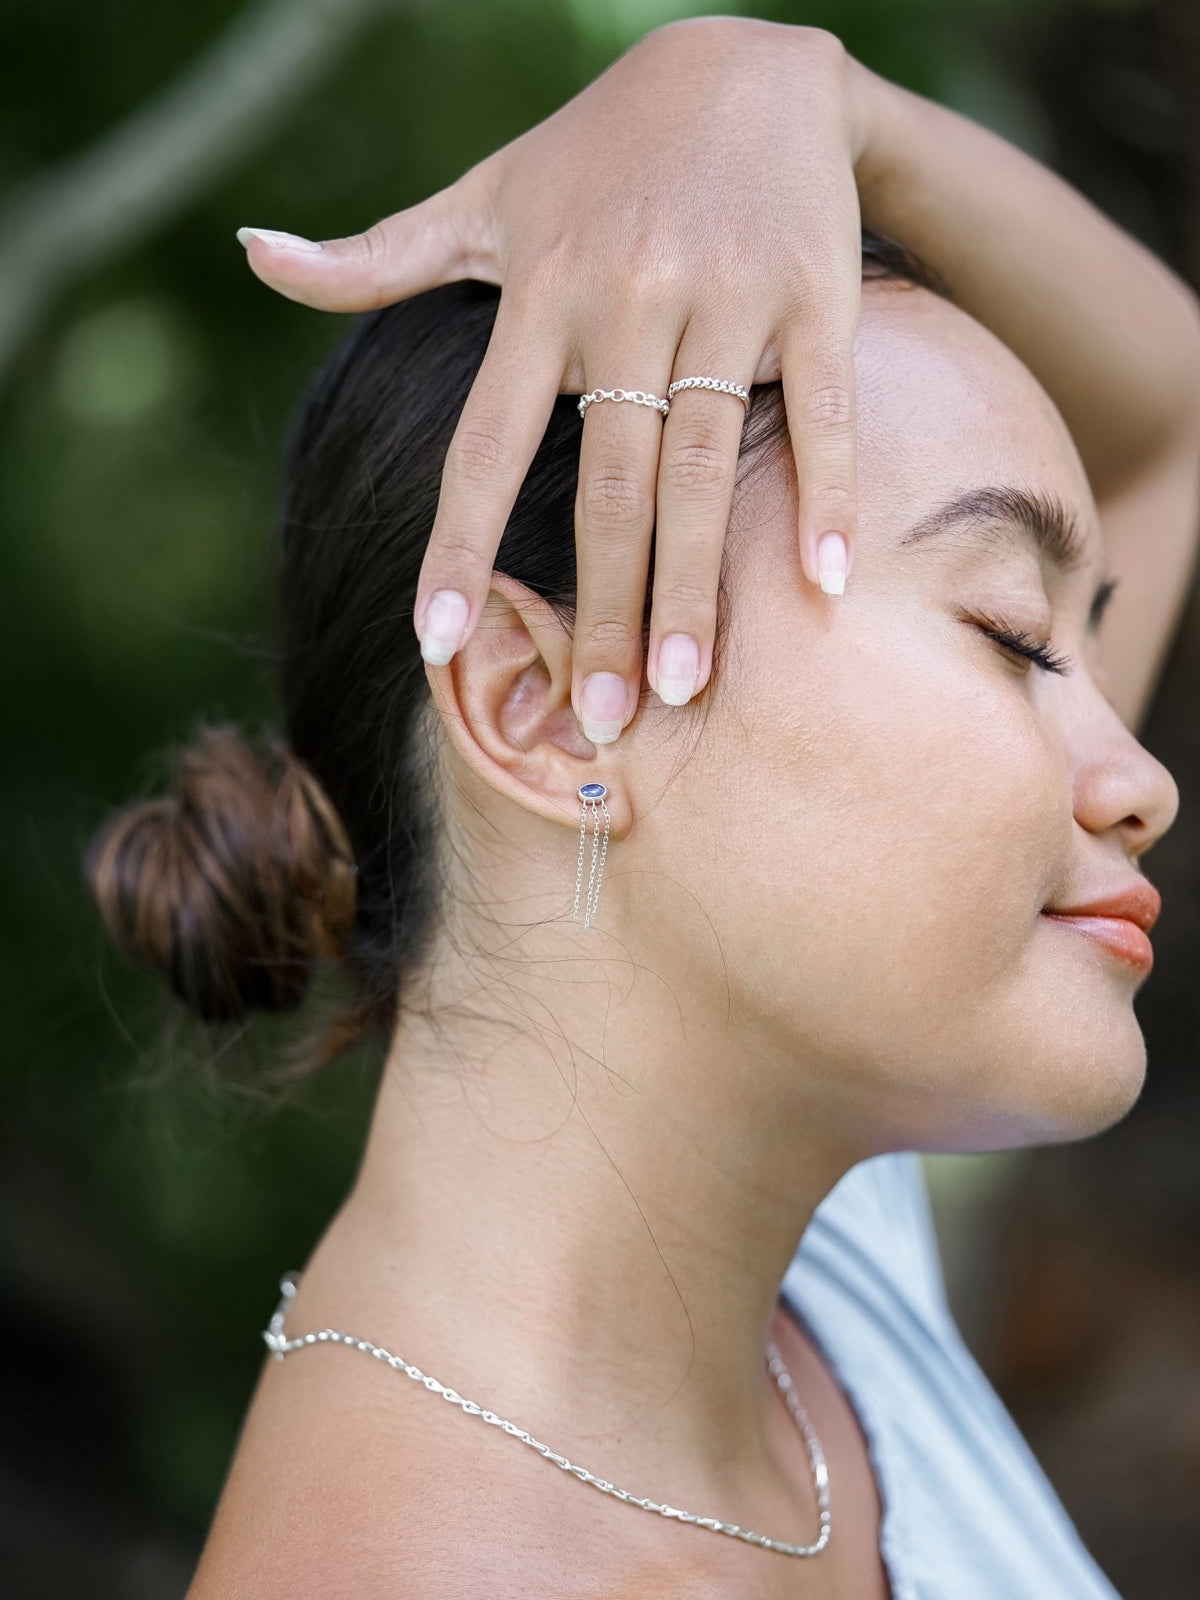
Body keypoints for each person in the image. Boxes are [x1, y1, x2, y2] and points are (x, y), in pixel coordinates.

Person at [87, 17, 1200, 1600]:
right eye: (1013, 633)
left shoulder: (799, 1263)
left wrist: (793, 95)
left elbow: (1166, 408)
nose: (1139, 779)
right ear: (543, 708)